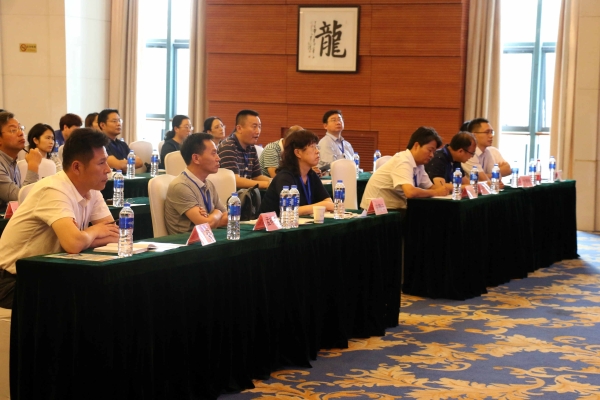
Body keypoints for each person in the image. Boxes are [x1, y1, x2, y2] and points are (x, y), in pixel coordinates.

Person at [0, 128, 120, 309]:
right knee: (86, 302)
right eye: (101, 163)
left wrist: (83, 237)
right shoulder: (54, 189)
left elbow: (114, 235)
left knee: (108, 293)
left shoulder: (91, 189)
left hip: (49, 274)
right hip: (14, 281)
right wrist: (94, 231)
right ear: (77, 167)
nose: (108, 170)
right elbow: (73, 244)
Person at [360, 127, 450, 210]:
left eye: (434, 152)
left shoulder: (419, 165)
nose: (432, 155)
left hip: (394, 209)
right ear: (416, 146)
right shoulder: (403, 161)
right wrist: (436, 192)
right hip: (376, 212)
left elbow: (430, 187)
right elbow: (410, 192)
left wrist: (444, 189)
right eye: (430, 150)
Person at [259, 129, 334, 216]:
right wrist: (322, 206)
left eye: (317, 147)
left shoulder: (311, 174)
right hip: (273, 223)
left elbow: (328, 201)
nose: (317, 151)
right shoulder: (285, 177)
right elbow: (290, 210)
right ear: (298, 153)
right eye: (312, 147)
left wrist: (324, 205)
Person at [164, 133, 228, 235]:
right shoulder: (181, 186)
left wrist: (211, 217)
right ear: (196, 158)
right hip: (186, 242)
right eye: (213, 153)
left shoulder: (208, 184)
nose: (218, 158)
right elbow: (206, 225)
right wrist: (217, 212)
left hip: (207, 239)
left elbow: (228, 217)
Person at [217, 109, 271, 189]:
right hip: (230, 195)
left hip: (245, 194)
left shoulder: (251, 148)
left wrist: (273, 182)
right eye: (254, 127)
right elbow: (234, 180)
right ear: (239, 128)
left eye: (259, 127)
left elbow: (257, 176)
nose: (258, 131)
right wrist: (267, 184)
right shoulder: (228, 146)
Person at [0, 111, 42, 206]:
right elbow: (21, 199)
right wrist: (33, 166)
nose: (21, 133)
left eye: (20, 128)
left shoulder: (12, 161)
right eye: (13, 130)